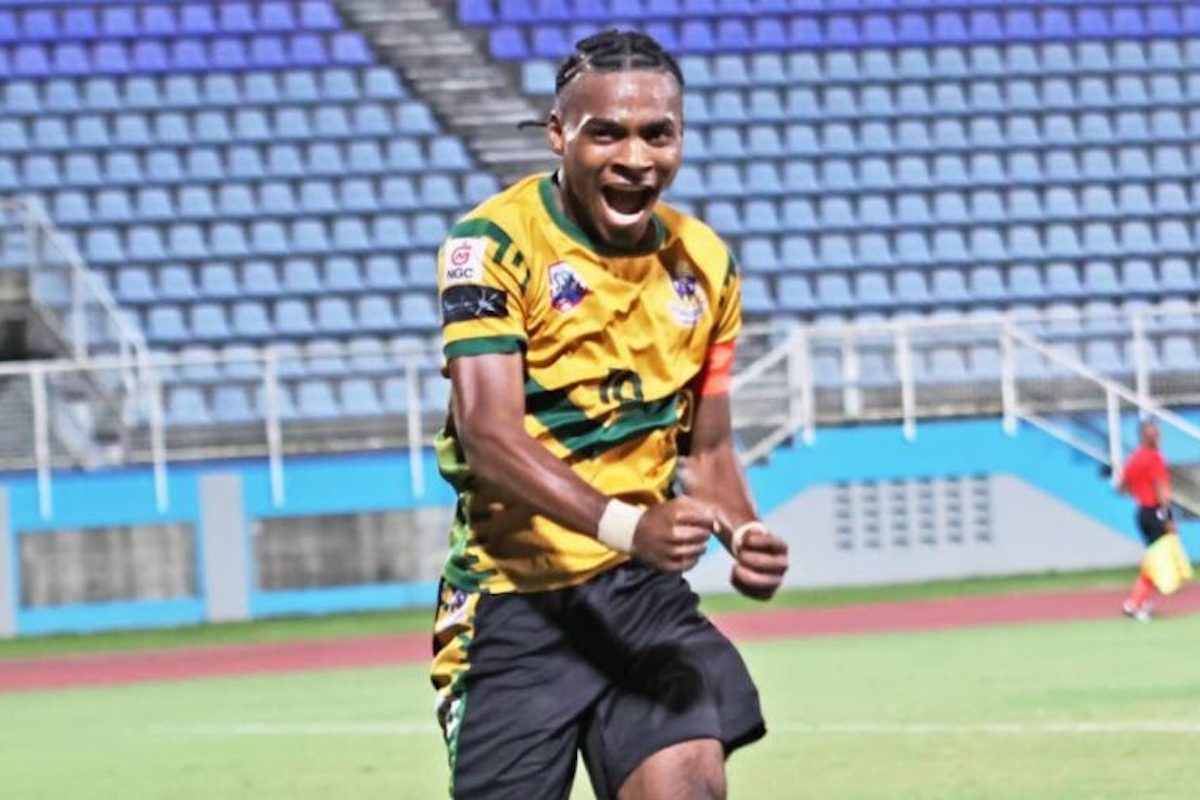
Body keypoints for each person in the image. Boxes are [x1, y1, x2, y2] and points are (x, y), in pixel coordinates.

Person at [428, 29, 790, 800]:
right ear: (560, 133)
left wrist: (743, 529)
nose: (636, 157)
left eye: (658, 133)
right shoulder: (492, 245)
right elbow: (489, 436)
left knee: (691, 781)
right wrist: (631, 525)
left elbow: (711, 450)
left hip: (639, 594)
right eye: (608, 132)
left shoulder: (705, 263)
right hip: (515, 605)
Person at [1119, 420, 1173, 622]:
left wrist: (1139, 492)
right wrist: (1168, 516)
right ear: (1145, 436)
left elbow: (1122, 486)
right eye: (1154, 433)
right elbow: (1162, 490)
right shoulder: (1154, 458)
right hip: (1154, 512)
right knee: (1155, 561)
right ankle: (1135, 603)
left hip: (1142, 512)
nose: (1158, 436)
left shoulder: (1134, 458)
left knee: (1155, 559)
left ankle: (1141, 600)